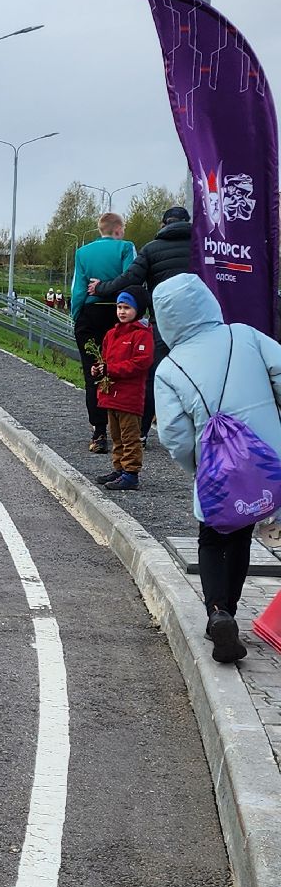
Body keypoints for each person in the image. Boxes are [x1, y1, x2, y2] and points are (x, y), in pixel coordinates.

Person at [153, 272, 281, 663]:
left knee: (211, 538)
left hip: (217, 469)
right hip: (266, 460)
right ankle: (232, 611)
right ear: (207, 301)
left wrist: (200, 466)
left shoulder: (170, 369)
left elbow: (174, 435)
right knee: (243, 537)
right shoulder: (244, 335)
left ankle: (216, 612)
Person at [92, 205, 194, 439]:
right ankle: (201, 432)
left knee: (151, 376)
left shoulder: (151, 249)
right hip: (197, 326)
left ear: (162, 225)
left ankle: (141, 432)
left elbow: (129, 279)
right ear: (188, 222)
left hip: (163, 324)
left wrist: (100, 288)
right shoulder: (202, 247)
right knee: (198, 375)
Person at [72, 212, 137, 454]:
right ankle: (123, 432)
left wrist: (77, 315)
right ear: (119, 230)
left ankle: (98, 433)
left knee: (93, 374)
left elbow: (78, 288)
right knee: (120, 371)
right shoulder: (126, 248)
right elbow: (131, 280)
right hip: (117, 315)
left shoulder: (82, 253)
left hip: (89, 315)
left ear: (101, 229)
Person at [90, 292, 153, 491]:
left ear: (138, 310)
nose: (122, 311)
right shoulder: (112, 333)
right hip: (112, 395)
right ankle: (119, 468)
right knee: (116, 436)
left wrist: (111, 370)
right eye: (119, 307)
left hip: (129, 396)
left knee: (130, 437)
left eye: (127, 307)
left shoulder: (142, 334)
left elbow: (141, 363)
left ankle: (131, 473)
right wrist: (98, 368)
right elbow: (106, 359)